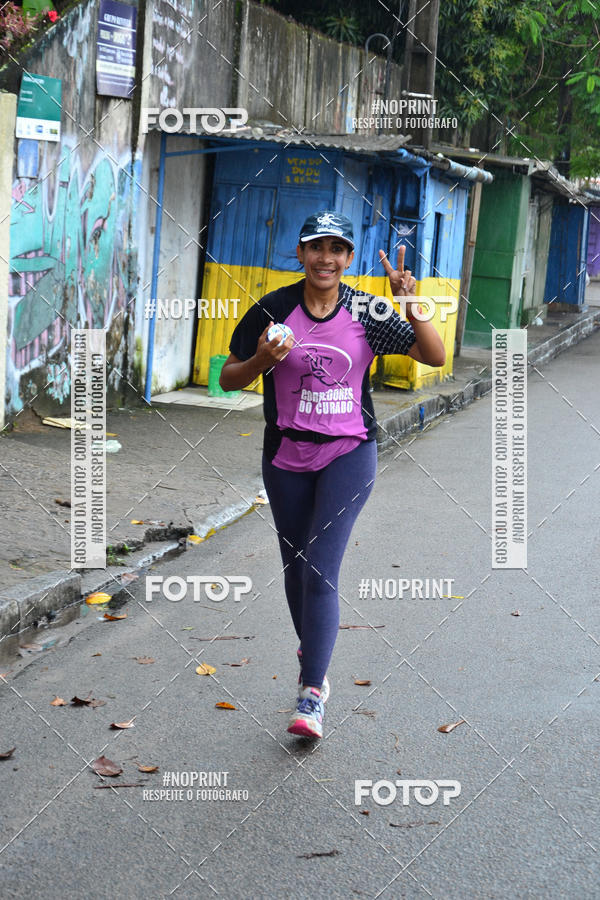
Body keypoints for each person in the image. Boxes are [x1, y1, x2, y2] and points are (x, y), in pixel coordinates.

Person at [220, 210, 446, 739]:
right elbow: (229, 377)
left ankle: (312, 694)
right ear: (301, 253)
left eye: (337, 249)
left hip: (349, 452)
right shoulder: (272, 309)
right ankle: (314, 650)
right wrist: (260, 360)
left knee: (320, 570)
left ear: (349, 258)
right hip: (285, 456)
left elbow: (433, 355)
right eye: (316, 247)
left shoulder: (368, 310)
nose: (326, 258)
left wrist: (410, 303)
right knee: (296, 568)